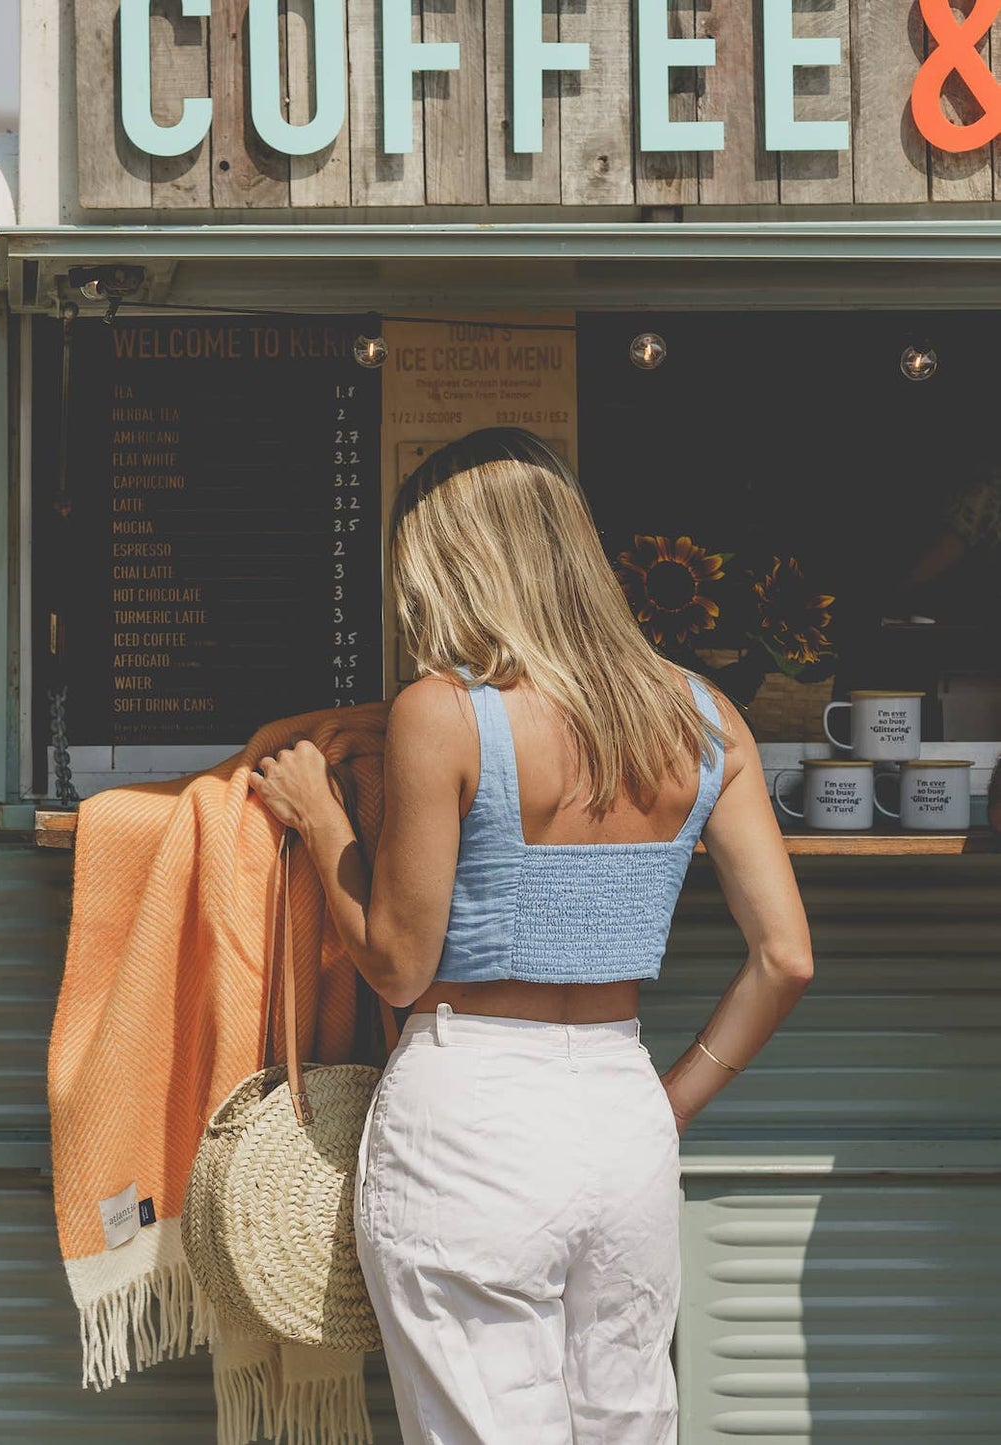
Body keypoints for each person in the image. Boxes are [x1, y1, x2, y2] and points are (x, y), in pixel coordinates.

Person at [248, 428, 813, 1445]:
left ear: (448, 563)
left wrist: (322, 819)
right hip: (621, 1108)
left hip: (471, 1115)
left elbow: (397, 964)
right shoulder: (707, 718)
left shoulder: (442, 713)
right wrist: (670, 1101)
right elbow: (784, 958)